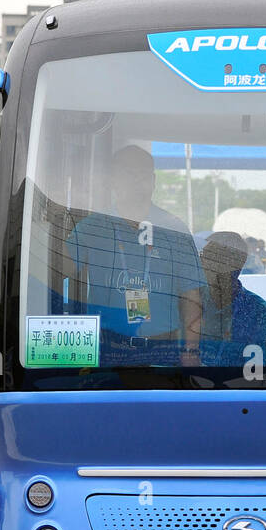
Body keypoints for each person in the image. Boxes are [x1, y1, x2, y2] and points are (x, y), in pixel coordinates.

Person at [62, 145, 205, 366]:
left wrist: (191, 351)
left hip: (162, 350)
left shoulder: (174, 230)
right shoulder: (92, 227)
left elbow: (192, 297)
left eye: (143, 174)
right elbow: (55, 273)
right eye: (128, 173)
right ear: (113, 180)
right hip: (106, 350)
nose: (137, 180)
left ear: (154, 180)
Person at [197, 231, 266, 367]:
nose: (200, 261)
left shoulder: (259, 310)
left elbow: (259, 369)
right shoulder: (189, 302)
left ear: (230, 265)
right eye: (201, 255)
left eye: (207, 256)